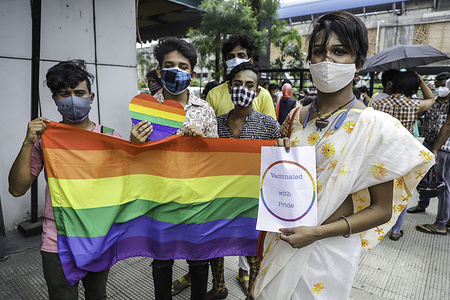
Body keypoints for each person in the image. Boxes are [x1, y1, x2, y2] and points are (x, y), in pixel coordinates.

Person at [253, 11, 433, 299]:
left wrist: (316, 233)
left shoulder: (376, 127)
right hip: (282, 239)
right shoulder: (297, 117)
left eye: (339, 51)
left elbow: (381, 210)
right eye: (318, 52)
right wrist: (281, 154)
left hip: (327, 250)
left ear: (358, 62)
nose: (327, 61)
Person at [8, 59, 121, 299]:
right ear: (55, 100)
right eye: (64, 94)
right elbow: (17, 189)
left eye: (79, 93)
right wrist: (28, 142)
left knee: (97, 295)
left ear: (91, 98)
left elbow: (133, 186)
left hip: (98, 236)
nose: (72, 99)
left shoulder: (111, 138)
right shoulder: (45, 140)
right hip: (57, 240)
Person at [130, 37, 218, 300]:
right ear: (159, 70)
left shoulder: (205, 110)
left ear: (191, 73)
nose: (176, 71)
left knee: (200, 260)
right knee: (161, 260)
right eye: (170, 65)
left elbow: (216, 160)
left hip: (197, 198)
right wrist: (135, 143)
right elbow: (136, 159)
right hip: (159, 198)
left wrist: (202, 143)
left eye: (183, 66)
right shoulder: (145, 108)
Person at [207, 62, 280, 300]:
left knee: (253, 250)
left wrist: (285, 145)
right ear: (229, 88)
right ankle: (219, 287)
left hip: (253, 201)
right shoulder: (215, 124)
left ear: (257, 92)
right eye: (238, 84)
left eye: (250, 85)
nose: (243, 89)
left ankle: (253, 294)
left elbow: (280, 158)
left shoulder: (269, 126)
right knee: (216, 246)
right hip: (221, 198)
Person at [372, 70, 435, 240]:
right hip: (402, 156)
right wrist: (420, 79)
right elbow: (431, 99)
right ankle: (395, 231)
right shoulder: (413, 105)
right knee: (402, 193)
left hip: (380, 154)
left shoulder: (378, 104)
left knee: (378, 192)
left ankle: (374, 227)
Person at [411, 72, 450, 235]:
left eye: (443, 85)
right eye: (437, 85)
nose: (440, 88)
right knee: (424, 177)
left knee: (443, 185)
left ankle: (441, 223)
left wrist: (435, 149)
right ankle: (422, 204)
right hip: (428, 143)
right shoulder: (433, 102)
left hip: (442, 148)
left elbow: (447, 127)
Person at [206, 33, 276, 119]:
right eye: (231, 57)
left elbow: (270, 128)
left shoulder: (264, 96)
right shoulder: (214, 95)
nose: (235, 60)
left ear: (250, 60)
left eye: (241, 56)